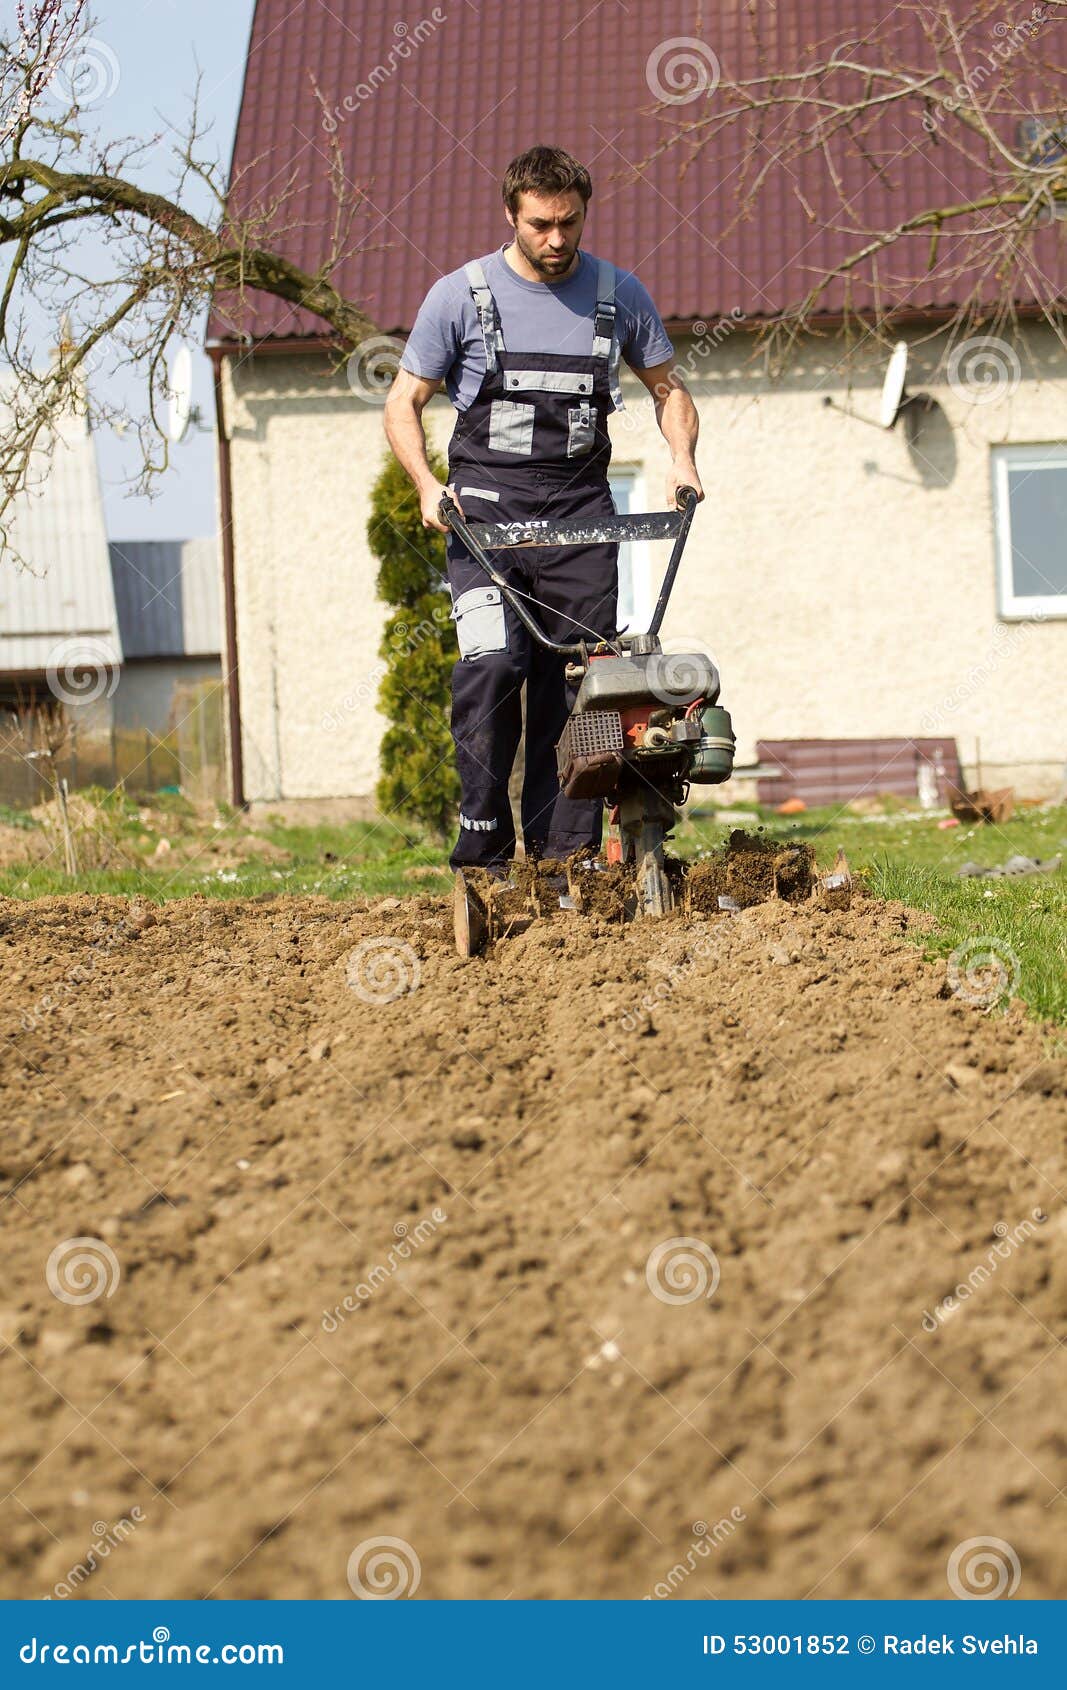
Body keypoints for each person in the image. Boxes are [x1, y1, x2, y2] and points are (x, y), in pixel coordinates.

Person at [384, 143, 703, 872]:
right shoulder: (458, 296)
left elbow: (668, 388)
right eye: (539, 225)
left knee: (580, 686)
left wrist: (680, 459)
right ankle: (484, 848)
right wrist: (427, 486)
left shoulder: (619, 295)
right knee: (492, 669)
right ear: (511, 215)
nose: (555, 240)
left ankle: (568, 860)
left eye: (568, 223)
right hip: (486, 521)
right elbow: (402, 401)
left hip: (580, 520)